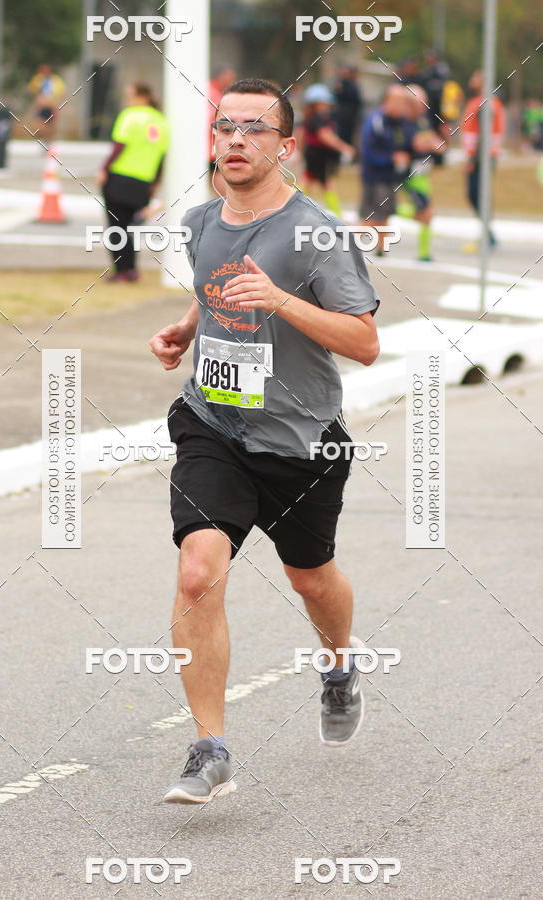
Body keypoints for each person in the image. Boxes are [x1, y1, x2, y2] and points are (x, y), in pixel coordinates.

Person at [149, 77, 380, 804]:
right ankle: (210, 747)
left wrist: (281, 300)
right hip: (213, 422)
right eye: (226, 128)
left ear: (285, 146)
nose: (236, 141)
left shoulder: (317, 233)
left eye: (254, 129)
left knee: (310, 577)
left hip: (300, 439)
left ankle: (338, 663)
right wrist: (188, 328)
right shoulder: (198, 222)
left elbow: (366, 342)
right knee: (198, 570)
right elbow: (213, 281)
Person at [97, 83, 169, 282]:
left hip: (120, 177)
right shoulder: (161, 121)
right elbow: (162, 155)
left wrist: (104, 168)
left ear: (143, 96)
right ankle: (131, 269)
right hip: (143, 181)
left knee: (116, 228)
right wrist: (155, 181)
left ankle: (123, 270)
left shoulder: (130, 116)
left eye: (130, 95)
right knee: (130, 228)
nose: (127, 99)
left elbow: (120, 145)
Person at [359, 84, 415, 255]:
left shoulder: (401, 123)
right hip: (376, 176)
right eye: (398, 101)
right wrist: (390, 158)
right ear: (387, 101)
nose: (401, 106)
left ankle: (381, 249)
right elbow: (368, 151)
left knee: (385, 213)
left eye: (404, 102)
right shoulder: (376, 121)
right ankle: (345, 247)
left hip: (391, 176)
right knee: (373, 215)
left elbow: (408, 145)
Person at [398, 84, 445, 262]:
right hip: (410, 176)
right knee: (427, 213)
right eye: (419, 104)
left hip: (423, 175)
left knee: (428, 213)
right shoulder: (403, 122)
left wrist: (433, 142)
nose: (422, 107)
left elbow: (433, 141)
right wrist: (429, 143)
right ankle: (387, 212)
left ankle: (424, 253)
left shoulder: (422, 120)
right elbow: (416, 143)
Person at [460, 70, 505, 250]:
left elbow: (483, 134)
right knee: (477, 194)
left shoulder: (487, 104)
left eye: (476, 77)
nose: (472, 80)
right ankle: (488, 233)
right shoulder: (480, 102)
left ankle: (488, 235)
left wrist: (473, 159)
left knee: (477, 194)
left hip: (482, 157)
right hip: (480, 156)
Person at [301, 84, 355, 216]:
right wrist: (343, 147)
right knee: (326, 185)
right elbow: (325, 136)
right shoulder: (317, 118)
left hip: (316, 155)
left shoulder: (316, 117)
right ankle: (338, 215)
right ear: (316, 103)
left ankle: (292, 208)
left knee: (308, 182)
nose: (327, 105)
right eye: (324, 103)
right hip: (318, 156)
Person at [208, 66, 237, 194]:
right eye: (229, 77)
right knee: (218, 173)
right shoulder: (210, 92)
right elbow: (211, 120)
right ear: (221, 77)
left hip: (213, 145)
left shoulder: (218, 93)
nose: (232, 81)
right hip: (210, 146)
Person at [28, 64, 66, 140]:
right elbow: (33, 91)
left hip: (51, 107)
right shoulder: (37, 80)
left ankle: (49, 142)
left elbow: (60, 93)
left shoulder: (56, 80)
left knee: (51, 126)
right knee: (38, 126)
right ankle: (43, 140)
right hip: (41, 107)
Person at [332, 65, 362, 147]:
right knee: (341, 134)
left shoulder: (353, 85)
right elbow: (336, 97)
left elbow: (356, 101)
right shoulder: (341, 83)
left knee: (348, 135)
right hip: (342, 114)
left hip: (350, 115)